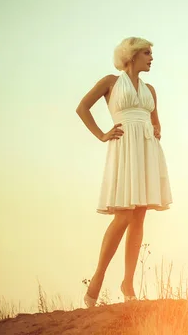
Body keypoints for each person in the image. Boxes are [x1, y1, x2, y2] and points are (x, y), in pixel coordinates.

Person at [75, 36, 173, 308]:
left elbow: (156, 121)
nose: (151, 58)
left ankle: (128, 281)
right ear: (131, 55)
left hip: (146, 150)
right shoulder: (110, 82)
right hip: (123, 148)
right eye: (147, 53)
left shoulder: (150, 90)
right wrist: (101, 134)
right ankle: (97, 278)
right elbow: (82, 108)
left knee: (139, 217)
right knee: (124, 215)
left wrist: (156, 130)